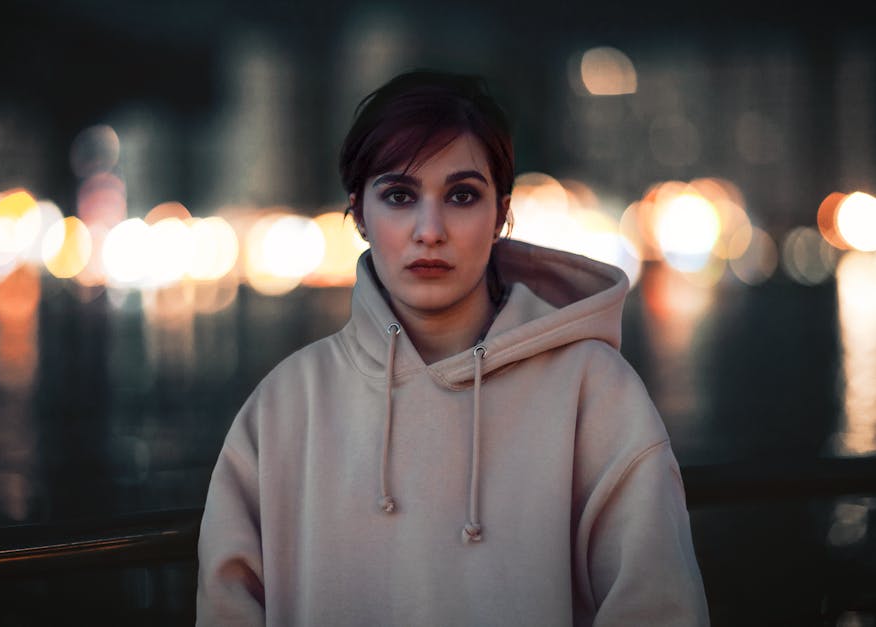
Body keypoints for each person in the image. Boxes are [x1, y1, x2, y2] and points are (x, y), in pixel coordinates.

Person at [196, 69, 709, 626]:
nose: (430, 229)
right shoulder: (283, 407)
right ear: (359, 213)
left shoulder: (596, 394)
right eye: (399, 195)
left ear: (502, 214)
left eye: (462, 195)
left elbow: (657, 607)